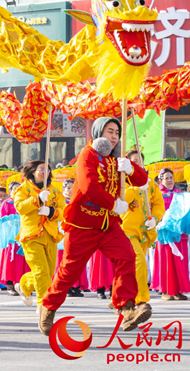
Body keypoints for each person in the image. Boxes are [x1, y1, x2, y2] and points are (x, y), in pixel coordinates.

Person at [39, 117, 150, 335]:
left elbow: (142, 180)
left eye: (117, 132)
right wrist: (113, 203)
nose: (115, 136)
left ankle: (125, 306)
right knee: (69, 272)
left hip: (108, 226)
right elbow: (89, 185)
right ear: (99, 132)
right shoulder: (87, 155)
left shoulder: (116, 160)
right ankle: (48, 306)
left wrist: (131, 169)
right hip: (82, 224)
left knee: (127, 256)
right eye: (110, 131)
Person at [13, 160, 65, 309]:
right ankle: (44, 306)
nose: (45, 172)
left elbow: (65, 211)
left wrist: (51, 212)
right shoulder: (23, 189)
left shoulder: (55, 191)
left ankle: (25, 285)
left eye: (47, 170)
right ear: (33, 172)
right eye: (41, 169)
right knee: (41, 272)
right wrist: (37, 199)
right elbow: (20, 208)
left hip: (51, 235)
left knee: (47, 274)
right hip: (32, 235)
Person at [122, 150, 165, 308]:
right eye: (133, 161)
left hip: (145, 231)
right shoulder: (123, 181)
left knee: (129, 266)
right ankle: (141, 299)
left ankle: (122, 297)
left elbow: (159, 204)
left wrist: (155, 218)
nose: (137, 164)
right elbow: (121, 199)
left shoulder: (151, 183)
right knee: (139, 261)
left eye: (139, 160)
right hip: (127, 230)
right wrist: (137, 188)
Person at [152, 168, 189, 300]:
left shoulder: (181, 194)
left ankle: (178, 290)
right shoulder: (158, 194)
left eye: (171, 178)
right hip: (165, 233)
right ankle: (166, 290)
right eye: (166, 178)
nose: (169, 181)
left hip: (179, 233)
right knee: (166, 261)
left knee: (180, 261)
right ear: (160, 180)